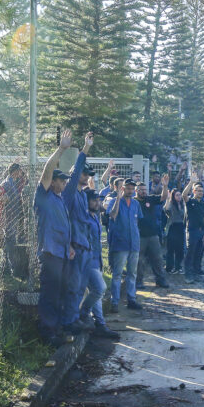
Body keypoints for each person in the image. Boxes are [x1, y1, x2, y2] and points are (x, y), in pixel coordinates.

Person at [33, 129, 74, 346]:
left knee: (59, 291)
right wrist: (61, 149)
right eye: (61, 180)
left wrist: (69, 247)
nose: (64, 183)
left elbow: (63, 227)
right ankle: (47, 333)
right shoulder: (44, 196)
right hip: (49, 252)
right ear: (53, 182)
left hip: (61, 252)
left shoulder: (59, 199)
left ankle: (56, 328)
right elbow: (46, 172)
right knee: (49, 293)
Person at [61, 132, 98, 333]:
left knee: (81, 287)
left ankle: (74, 319)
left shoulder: (83, 195)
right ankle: (68, 322)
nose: (85, 178)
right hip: (74, 246)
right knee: (73, 287)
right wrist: (85, 149)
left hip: (85, 247)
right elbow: (74, 173)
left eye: (87, 175)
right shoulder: (69, 192)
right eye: (83, 174)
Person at [78, 189, 120, 340]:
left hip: (97, 260)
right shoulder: (84, 217)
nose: (97, 203)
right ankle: (82, 313)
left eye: (98, 200)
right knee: (100, 288)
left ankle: (100, 325)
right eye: (93, 200)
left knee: (97, 295)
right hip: (87, 261)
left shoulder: (96, 217)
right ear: (86, 202)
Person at [105, 178, 144, 311]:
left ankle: (131, 300)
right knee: (117, 273)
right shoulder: (114, 201)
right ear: (122, 189)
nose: (130, 191)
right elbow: (113, 215)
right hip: (120, 243)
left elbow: (137, 221)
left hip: (134, 243)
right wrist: (117, 199)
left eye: (132, 189)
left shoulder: (135, 204)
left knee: (132, 273)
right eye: (128, 188)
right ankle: (114, 302)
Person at [134, 176, 170, 289]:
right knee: (139, 261)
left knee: (157, 259)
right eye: (141, 190)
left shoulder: (150, 199)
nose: (144, 192)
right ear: (136, 191)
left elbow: (163, 197)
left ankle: (160, 280)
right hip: (140, 236)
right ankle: (138, 282)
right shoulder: (134, 202)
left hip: (153, 235)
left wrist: (164, 186)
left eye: (145, 190)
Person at [1, 163, 28, 278]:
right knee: (10, 242)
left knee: (9, 241)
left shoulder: (12, 182)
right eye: (19, 171)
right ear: (14, 171)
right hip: (9, 216)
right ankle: (11, 268)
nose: (20, 173)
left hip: (13, 216)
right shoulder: (6, 183)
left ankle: (5, 267)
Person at [164, 189, 186, 274]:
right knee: (170, 249)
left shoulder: (183, 204)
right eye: (177, 195)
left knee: (180, 249)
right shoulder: (171, 204)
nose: (179, 196)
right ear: (173, 196)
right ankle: (169, 267)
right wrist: (168, 199)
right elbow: (166, 210)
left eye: (180, 195)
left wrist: (181, 206)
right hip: (172, 228)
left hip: (180, 227)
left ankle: (178, 267)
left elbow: (184, 215)